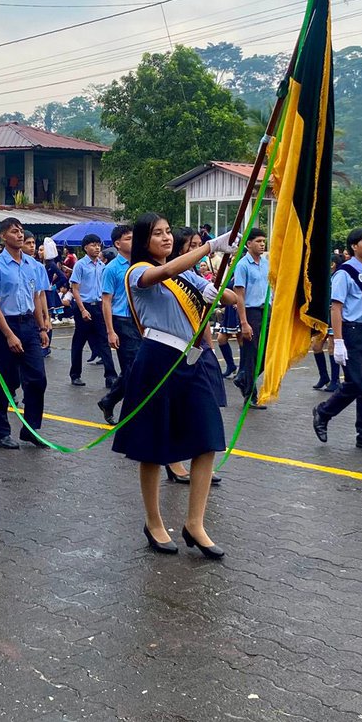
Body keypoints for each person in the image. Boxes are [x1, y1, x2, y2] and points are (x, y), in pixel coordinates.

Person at [114, 213, 238, 559]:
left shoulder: (189, 275)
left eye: (169, 232)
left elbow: (228, 299)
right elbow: (164, 272)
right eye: (158, 234)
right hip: (157, 360)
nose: (166, 238)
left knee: (207, 439)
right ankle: (154, 521)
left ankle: (194, 523)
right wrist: (211, 246)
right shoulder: (136, 271)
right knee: (153, 445)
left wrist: (215, 288)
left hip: (192, 361)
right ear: (143, 240)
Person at [312, 228, 362, 451]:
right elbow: (336, 308)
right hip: (352, 331)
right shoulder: (344, 273)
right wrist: (337, 341)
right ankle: (323, 411)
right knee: (355, 383)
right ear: (354, 246)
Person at [0, 217, 51, 450]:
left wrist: (42, 327)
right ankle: (2, 433)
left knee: (38, 379)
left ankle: (31, 429)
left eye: (21, 231)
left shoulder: (34, 265)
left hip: (29, 324)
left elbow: (37, 297)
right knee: (4, 382)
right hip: (6, 325)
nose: (20, 235)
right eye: (14, 231)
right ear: (4, 236)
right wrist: (9, 335)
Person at [68, 233, 118, 389]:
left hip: (99, 306)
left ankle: (110, 376)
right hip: (84, 306)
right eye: (93, 245)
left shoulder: (102, 266)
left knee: (104, 340)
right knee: (79, 341)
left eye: (98, 245)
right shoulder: (80, 265)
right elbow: (75, 289)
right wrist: (82, 309)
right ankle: (75, 375)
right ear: (85, 248)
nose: (97, 248)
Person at [98, 224, 136, 424]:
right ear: (117, 244)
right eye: (128, 238)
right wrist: (110, 331)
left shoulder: (140, 264)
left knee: (136, 369)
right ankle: (129, 416)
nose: (133, 241)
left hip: (140, 321)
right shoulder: (111, 269)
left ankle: (109, 400)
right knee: (132, 370)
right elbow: (106, 301)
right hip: (122, 321)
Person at [233, 228, 269, 406]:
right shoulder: (242, 265)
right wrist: (244, 322)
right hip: (251, 311)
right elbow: (239, 294)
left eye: (264, 241)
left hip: (266, 310)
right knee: (250, 353)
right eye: (259, 241)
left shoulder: (266, 263)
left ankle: (243, 377)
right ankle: (250, 395)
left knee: (267, 353)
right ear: (248, 244)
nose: (262, 244)